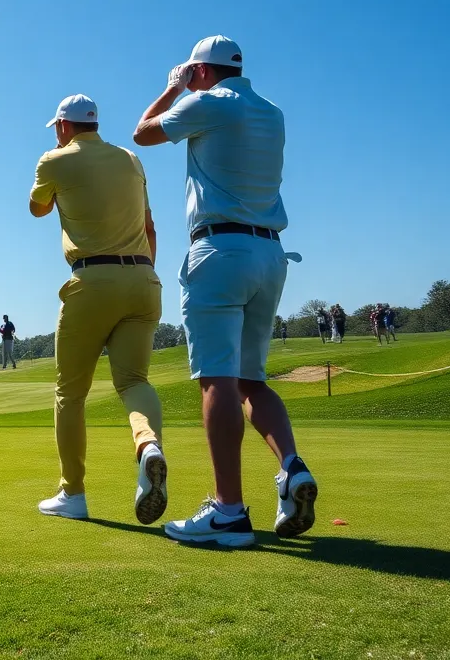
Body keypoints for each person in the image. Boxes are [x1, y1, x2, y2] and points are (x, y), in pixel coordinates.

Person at [134, 35, 317, 547]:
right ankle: (292, 468)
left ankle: (229, 511)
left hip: (219, 251)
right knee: (251, 381)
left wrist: (172, 89)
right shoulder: (271, 111)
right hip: (270, 254)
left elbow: (142, 133)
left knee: (217, 381)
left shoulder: (204, 101)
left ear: (201, 71)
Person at [30, 94, 168, 525]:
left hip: (92, 281)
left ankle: (73, 494)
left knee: (70, 392)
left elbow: (37, 209)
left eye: (57, 126)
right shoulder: (130, 159)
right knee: (133, 381)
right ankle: (147, 445)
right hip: (144, 279)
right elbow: (148, 226)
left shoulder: (53, 159)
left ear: (64, 126)